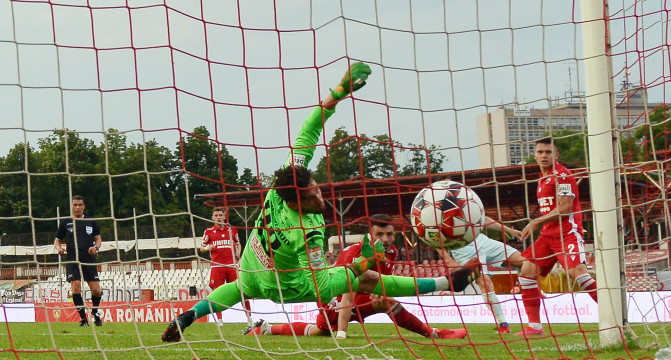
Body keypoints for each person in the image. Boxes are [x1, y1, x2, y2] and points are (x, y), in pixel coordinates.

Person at [162, 62, 481, 342]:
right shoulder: (308, 232)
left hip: (254, 262)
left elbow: (308, 129)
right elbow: (321, 281)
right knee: (368, 279)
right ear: (298, 203)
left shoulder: (285, 181)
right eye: (312, 196)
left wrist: (338, 93)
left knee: (236, 288)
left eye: (315, 187)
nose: (319, 194)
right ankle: (447, 282)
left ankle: (186, 317)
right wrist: (362, 265)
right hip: (291, 286)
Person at [244, 214, 467, 340]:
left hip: (357, 301)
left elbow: (380, 285)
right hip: (334, 300)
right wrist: (342, 332)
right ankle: (434, 332)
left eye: (389, 234)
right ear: (370, 235)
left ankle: (266, 328)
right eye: (380, 234)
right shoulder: (359, 254)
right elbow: (345, 291)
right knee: (323, 329)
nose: (386, 238)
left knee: (321, 330)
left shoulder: (390, 252)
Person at [514, 137, 598, 336]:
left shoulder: (562, 176)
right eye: (540, 152)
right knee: (527, 270)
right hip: (548, 236)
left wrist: (535, 221)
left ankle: (615, 315)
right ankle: (534, 327)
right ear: (534, 155)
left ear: (556, 155)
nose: (544, 155)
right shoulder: (542, 178)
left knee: (578, 274)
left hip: (567, 233)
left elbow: (565, 207)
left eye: (548, 152)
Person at [440, 216, 525, 334]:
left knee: (525, 262)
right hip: (462, 249)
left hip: (482, 241)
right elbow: (432, 238)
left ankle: (532, 290)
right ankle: (503, 324)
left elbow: (483, 219)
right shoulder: (435, 210)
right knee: (485, 283)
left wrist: (509, 230)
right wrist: (449, 260)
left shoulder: (464, 201)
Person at [54, 195, 103, 327]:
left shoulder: (91, 221)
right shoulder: (65, 222)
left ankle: (95, 311)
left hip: (88, 259)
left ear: (84, 206)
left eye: (80, 205)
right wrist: (59, 248)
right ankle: (83, 319)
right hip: (72, 259)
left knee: (96, 290)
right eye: (75, 205)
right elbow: (57, 240)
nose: (77, 207)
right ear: (72, 206)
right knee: (76, 287)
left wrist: (96, 247)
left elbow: (98, 239)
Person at [200, 207, 250, 326]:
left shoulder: (232, 230)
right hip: (217, 266)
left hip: (232, 265)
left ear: (224, 216)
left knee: (242, 290)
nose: (218, 217)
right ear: (213, 217)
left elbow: (238, 244)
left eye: (220, 215)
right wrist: (207, 248)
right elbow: (201, 248)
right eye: (216, 215)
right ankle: (220, 319)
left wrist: (239, 253)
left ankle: (249, 318)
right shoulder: (208, 232)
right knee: (217, 292)